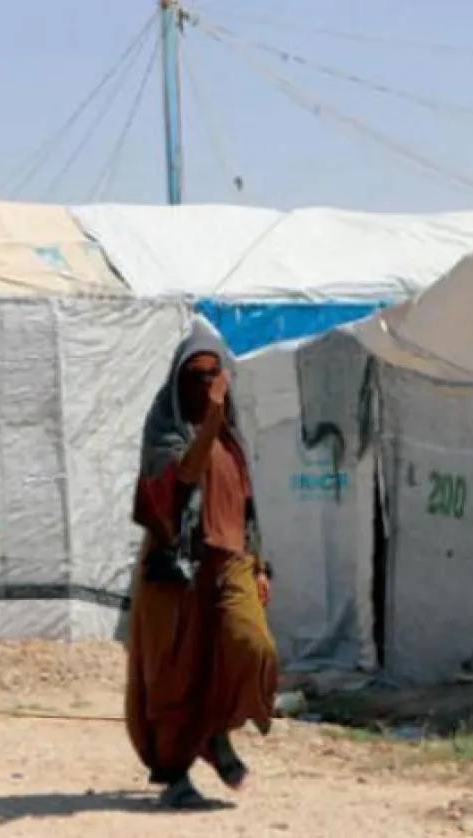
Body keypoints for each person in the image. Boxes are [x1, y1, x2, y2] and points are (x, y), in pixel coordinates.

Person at [125, 318, 279, 810]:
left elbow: (247, 503)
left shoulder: (232, 438)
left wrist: (259, 565)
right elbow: (177, 483)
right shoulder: (165, 432)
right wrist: (207, 422)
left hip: (230, 560)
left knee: (250, 645)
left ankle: (216, 734)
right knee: (176, 673)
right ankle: (175, 775)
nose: (206, 383)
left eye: (214, 373)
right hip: (177, 565)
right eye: (195, 374)